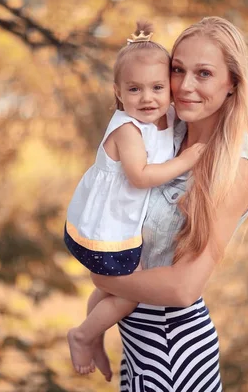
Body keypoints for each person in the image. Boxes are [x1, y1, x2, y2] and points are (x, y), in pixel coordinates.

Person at [91, 16, 248, 391]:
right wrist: (94, 328)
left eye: (203, 74)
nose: (185, 86)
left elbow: (184, 286)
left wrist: (103, 279)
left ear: (232, 83)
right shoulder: (164, 133)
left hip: (173, 350)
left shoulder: (234, 169)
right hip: (136, 342)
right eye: (178, 70)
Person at [64, 21, 205, 380]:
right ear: (118, 92)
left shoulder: (164, 115)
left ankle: (94, 329)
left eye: (158, 87)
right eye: (135, 89)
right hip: (106, 230)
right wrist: (185, 161)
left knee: (117, 285)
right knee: (127, 296)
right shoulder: (128, 128)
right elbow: (140, 176)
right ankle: (83, 335)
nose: (147, 98)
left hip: (118, 225)